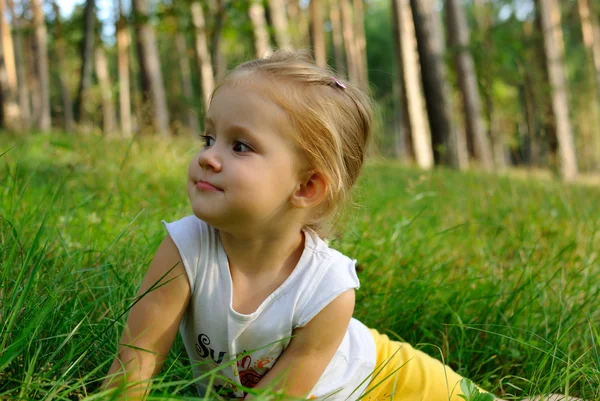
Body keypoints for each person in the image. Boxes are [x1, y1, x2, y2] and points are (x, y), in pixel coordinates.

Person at [101, 50, 492, 401]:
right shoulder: (185, 249)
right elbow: (136, 363)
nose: (208, 157)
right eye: (209, 138)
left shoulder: (330, 288)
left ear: (306, 186)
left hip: (388, 378)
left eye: (240, 146)